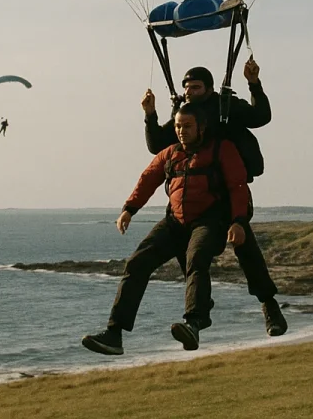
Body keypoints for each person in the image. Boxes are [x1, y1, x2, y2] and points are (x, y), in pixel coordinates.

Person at [82, 102, 248, 356]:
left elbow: (237, 186)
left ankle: (194, 323)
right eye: (178, 126)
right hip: (175, 222)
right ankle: (114, 334)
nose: (181, 131)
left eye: (187, 126)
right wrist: (129, 209)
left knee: (196, 259)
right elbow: (148, 179)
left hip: (210, 221)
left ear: (201, 127)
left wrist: (238, 221)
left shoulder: (221, 150)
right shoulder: (170, 154)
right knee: (137, 263)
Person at [142, 59, 288, 337]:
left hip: (229, 193)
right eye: (186, 88)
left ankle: (270, 307)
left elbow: (261, 117)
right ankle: (200, 304)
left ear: (208, 89)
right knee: (184, 246)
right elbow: (157, 145)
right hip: (194, 194)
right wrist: (150, 114)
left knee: (245, 247)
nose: (189, 93)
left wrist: (254, 83)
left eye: (195, 88)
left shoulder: (226, 106)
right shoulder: (182, 114)